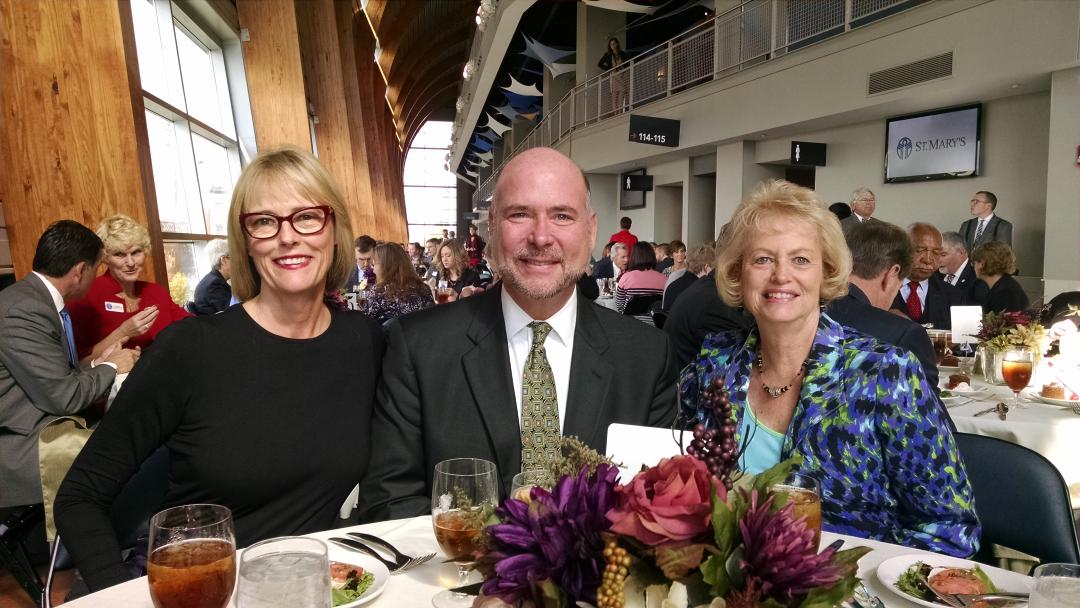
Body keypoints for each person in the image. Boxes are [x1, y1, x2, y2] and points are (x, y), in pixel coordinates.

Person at [56, 147, 385, 591]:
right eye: (265, 221)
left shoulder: (363, 341)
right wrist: (121, 595)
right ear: (246, 241)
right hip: (206, 591)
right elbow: (79, 497)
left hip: (316, 590)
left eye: (307, 216)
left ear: (334, 229)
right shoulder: (192, 350)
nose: (288, 237)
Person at [358, 147, 677, 520]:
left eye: (561, 216)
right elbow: (389, 502)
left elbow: (659, 509)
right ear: (491, 225)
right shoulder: (419, 348)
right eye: (520, 214)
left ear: (591, 230)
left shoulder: (646, 356)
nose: (541, 237)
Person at [682, 180, 977, 557]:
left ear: (827, 272)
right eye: (762, 259)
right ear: (738, 273)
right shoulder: (715, 364)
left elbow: (951, 528)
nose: (780, 275)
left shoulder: (885, 373)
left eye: (801, 259)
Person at [0, 221, 138, 510]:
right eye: (96, 269)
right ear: (79, 271)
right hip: (22, 447)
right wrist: (112, 366)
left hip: (45, 425)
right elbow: (65, 396)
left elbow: (56, 378)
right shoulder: (24, 310)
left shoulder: (34, 299)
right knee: (132, 450)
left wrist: (100, 362)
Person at [828, 221, 942, 395]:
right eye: (899, 285)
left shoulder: (803, 313)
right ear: (892, 273)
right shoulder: (906, 335)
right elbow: (930, 412)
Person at [67, 214, 190, 362]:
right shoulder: (87, 294)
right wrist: (123, 332)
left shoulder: (157, 292)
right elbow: (79, 363)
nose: (130, 262)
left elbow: (191, 327)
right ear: (105, 258)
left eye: (136, 252)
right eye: (120, 254)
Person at [891, 223, 963, 329]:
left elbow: (965, 342)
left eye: (936, 252)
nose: (928, 260)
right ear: (901, 251)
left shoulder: (955, 296)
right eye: (919, 250)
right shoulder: (876, 290)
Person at [359, 243, 435, 325]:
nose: (373, 270)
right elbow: (433, 318)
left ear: (386, 266)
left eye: (374, 265)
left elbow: (366, 325)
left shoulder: (378, 292)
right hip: (424, 336)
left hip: (394, 337)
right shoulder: (424, 288)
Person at [971, 240, 1029, 314]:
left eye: (974, 262)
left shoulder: (1006, 292)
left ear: (982, 264)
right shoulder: (1004, 285)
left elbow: (1006, 324)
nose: (973, 266)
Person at [615, 242, 667, 317]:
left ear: (633, 257)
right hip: (655, 325)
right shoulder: (664, 279)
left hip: (631, 324)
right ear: (652, 256)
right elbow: (664, 306)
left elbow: (619, 306)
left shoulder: (626, 277)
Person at [938, 231, 987, 306]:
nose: (937, 259)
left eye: (943, 254)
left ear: (960, 253)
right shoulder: (933, 276)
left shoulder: (977, 279)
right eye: (935, 254)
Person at [662, 242, 712, 313]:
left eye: (682, 251)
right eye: (676, 252)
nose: (680, 254)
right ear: (671, 255)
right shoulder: (667, 272)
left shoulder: (690, 271)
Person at [190, 238, 232, 315]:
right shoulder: (215, 284)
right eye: (233, 258)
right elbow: (232, 314)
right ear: (223, 260)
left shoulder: (210, 280)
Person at [598, 37, 629, 112]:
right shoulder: (608, 54)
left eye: (614, 44)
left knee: (622, 95)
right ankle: (616, 114)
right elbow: (600, 64)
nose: (613, 45)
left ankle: (620, 112)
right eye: (611, 44)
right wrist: (609, 69)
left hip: (622, 75)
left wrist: (623, 69)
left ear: (617, 44)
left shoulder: (622, 53)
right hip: (614, 76)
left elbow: (627, 64)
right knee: (615, 96)